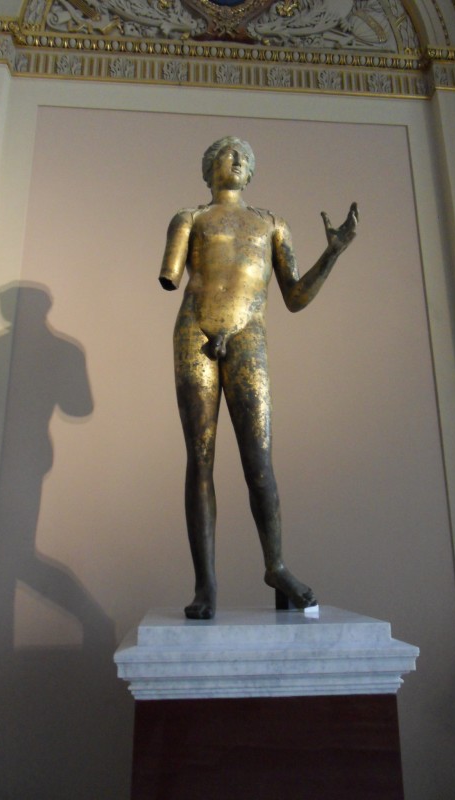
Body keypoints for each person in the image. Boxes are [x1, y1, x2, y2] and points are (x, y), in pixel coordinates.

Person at [159, 136, 358, 619]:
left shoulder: (272, 224)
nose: (237, 159)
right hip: (195, 332)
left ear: (251, 173)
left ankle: (276, 565)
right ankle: (205, 584)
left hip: (248, 334)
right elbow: (171, 275)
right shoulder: (189, 218)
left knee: (259, 463)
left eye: (244, 157)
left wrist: (332, 253)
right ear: (208, 168)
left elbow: (295, 296)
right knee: (200, 459)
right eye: (227, 153)